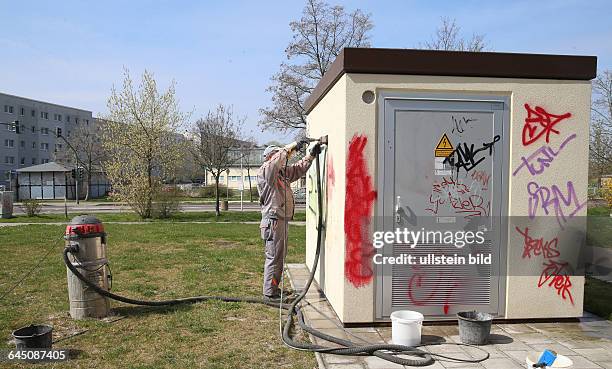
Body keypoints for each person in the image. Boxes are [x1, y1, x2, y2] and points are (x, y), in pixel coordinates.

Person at [257, 139, 322, 301]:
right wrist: (290, 147)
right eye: (279, 157)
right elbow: (274, 164)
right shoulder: (267, 171)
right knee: (274, 257)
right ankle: (269, 293)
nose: (284, 160)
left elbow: (298, 169)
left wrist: (311, 156)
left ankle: (273, 288)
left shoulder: (281, 173)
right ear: (270, 157)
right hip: (273, 221)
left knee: (279, 256)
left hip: (280, 220)